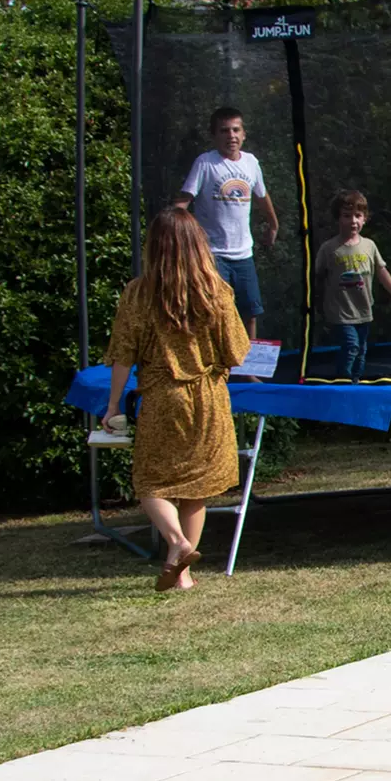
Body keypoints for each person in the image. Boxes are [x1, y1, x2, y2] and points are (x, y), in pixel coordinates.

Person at [104, 206, 251, 591]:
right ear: (198, 245)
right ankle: (183, 571)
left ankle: (177, 545)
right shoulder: (216, 291)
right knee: (195, 487)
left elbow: (123, 353)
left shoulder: (138, 293)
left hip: (160, 398)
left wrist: (114, 405)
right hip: (209, 397)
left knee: (150, 482)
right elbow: (237, 351)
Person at [173, 106, 279, 336]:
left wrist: (273, 224)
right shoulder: (205, 163)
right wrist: (170, 227)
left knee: (250, 311)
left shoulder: (251, 163)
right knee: (215, 311)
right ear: (214, 135)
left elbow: (262, 196)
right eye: (224, 131)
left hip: (244, 255)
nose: (231, 136)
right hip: (212, 254)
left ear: (243, 134)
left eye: (235, 130)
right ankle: (216, 367)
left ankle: (247, 369)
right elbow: (185, 198)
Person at [312, 189, 391, 379]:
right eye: (347, 216)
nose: (353, 221)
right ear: (338, 218)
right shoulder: (329, 248)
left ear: (364, 219)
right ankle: (343, 380)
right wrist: (316, 304)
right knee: (351, 346)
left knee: (361, 350)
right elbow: (317, 276)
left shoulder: (369, 245)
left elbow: (381, 270)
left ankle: (356, 381)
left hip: (363, 310)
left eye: (358, 216)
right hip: (341, 312)